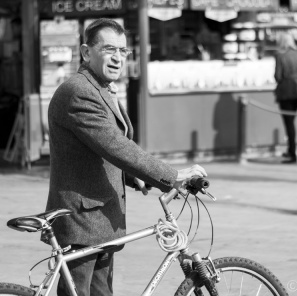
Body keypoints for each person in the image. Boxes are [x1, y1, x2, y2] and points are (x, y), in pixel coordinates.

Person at [43, 18, 207, 296]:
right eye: (109, 49)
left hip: (99, 217)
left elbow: (97, 147)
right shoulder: (79, 91)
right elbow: (115, 145)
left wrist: (133, 177)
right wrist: (172, 175)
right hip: (82, 220)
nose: (118, 58)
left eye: (123, 50)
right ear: (86, 52)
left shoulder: (100, 88)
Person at [274, 32, 297, 164]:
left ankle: (292, 153)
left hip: (286, 93)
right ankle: (290, 150)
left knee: (289, 124)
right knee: (291, 122)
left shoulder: (280, 56)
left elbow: (278, 76)